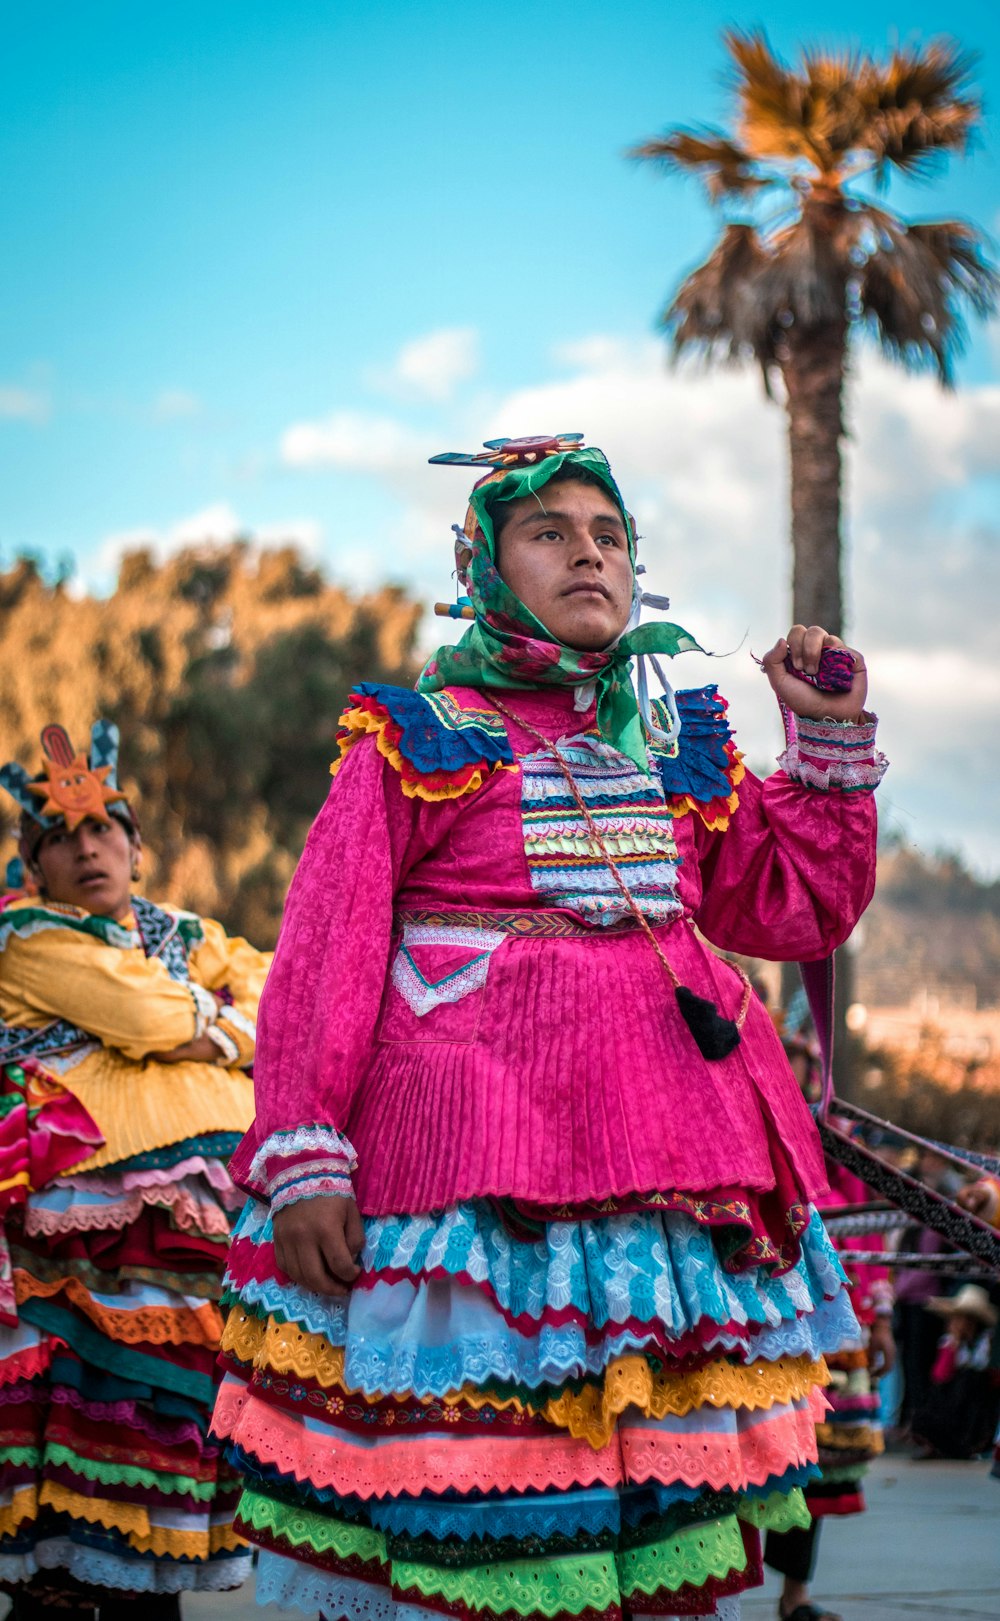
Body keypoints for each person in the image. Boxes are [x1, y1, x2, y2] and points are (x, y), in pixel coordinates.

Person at [212, 434, 887, 1621]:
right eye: (550, 533)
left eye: (609, 535)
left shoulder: (676, 747)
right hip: (472, 1188)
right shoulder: (416, 738)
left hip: (669, 1184)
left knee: (645, 1534)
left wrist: (826, 737)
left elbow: (788, 906)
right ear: (481, 568)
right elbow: (328, 945)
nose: (589, 552)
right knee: (481, 1521)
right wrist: (304, 1145)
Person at [0, 721, 271, 1617]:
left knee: (170, 1433)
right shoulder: (29, 939)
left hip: (205, 1223)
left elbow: (276, 990)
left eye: (103, 829)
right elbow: (140, 1014)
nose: (86, 847)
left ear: (137, 847)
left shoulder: (186, 930)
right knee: (84, 1415)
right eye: (61, 838)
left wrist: (217, 1022)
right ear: (32, 864)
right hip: (75, 1229)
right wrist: (211, 1029)